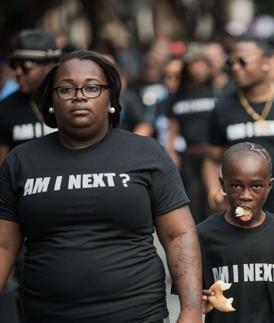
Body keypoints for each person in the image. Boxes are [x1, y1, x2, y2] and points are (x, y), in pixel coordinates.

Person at [0, 50, 203, 323]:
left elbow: (178, 235)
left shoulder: (146, 154)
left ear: (111, 98)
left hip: (138, 316)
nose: (79, 95)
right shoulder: (20, 162)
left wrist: (190, 311)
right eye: (66, 88)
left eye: (92, 87)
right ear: (51, 100)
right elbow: (3, 246)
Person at [203, 38, 274, 216]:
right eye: (231, 62)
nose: (235, 68)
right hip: (242, 211)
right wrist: (214, 193)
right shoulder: (223, 108)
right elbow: (211, 158)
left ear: (266, 62)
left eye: (243, 61)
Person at [199, 142, 274, 323]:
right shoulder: (202, 235)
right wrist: (197, 302)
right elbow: (192, 302)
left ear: (269, 186)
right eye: (235, 186)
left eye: (256, 186)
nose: (246, 195)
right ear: (222, 185)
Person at [167, 51, 218, 223]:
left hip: (212, 155)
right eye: (194, 64)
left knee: (214, 200)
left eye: (203, 64)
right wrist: (171, 150)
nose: (199, 69)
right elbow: (173, 127)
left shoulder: (217, 93)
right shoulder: (179, 96)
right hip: (189, 154)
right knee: (193, 200)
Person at [0, 30, 61, 164]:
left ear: (50, 66)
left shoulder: (68, 103)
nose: (18, 72)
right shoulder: (5, 109)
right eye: (15, 65)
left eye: (26, 65)